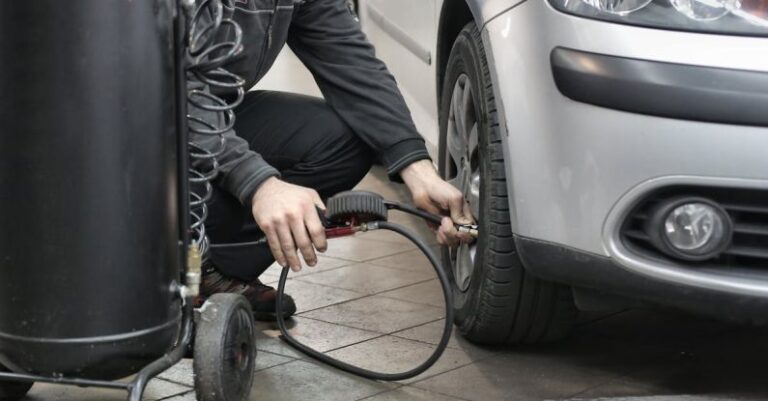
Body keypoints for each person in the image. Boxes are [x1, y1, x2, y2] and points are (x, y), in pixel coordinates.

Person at [193, 0, 474, 321]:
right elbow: (166, 91)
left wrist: (418, 170)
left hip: (210, 112)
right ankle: (151, 262)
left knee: (345, 140)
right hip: (141, 128)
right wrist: (258, 184)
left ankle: (209, 266)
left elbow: (351, 63)